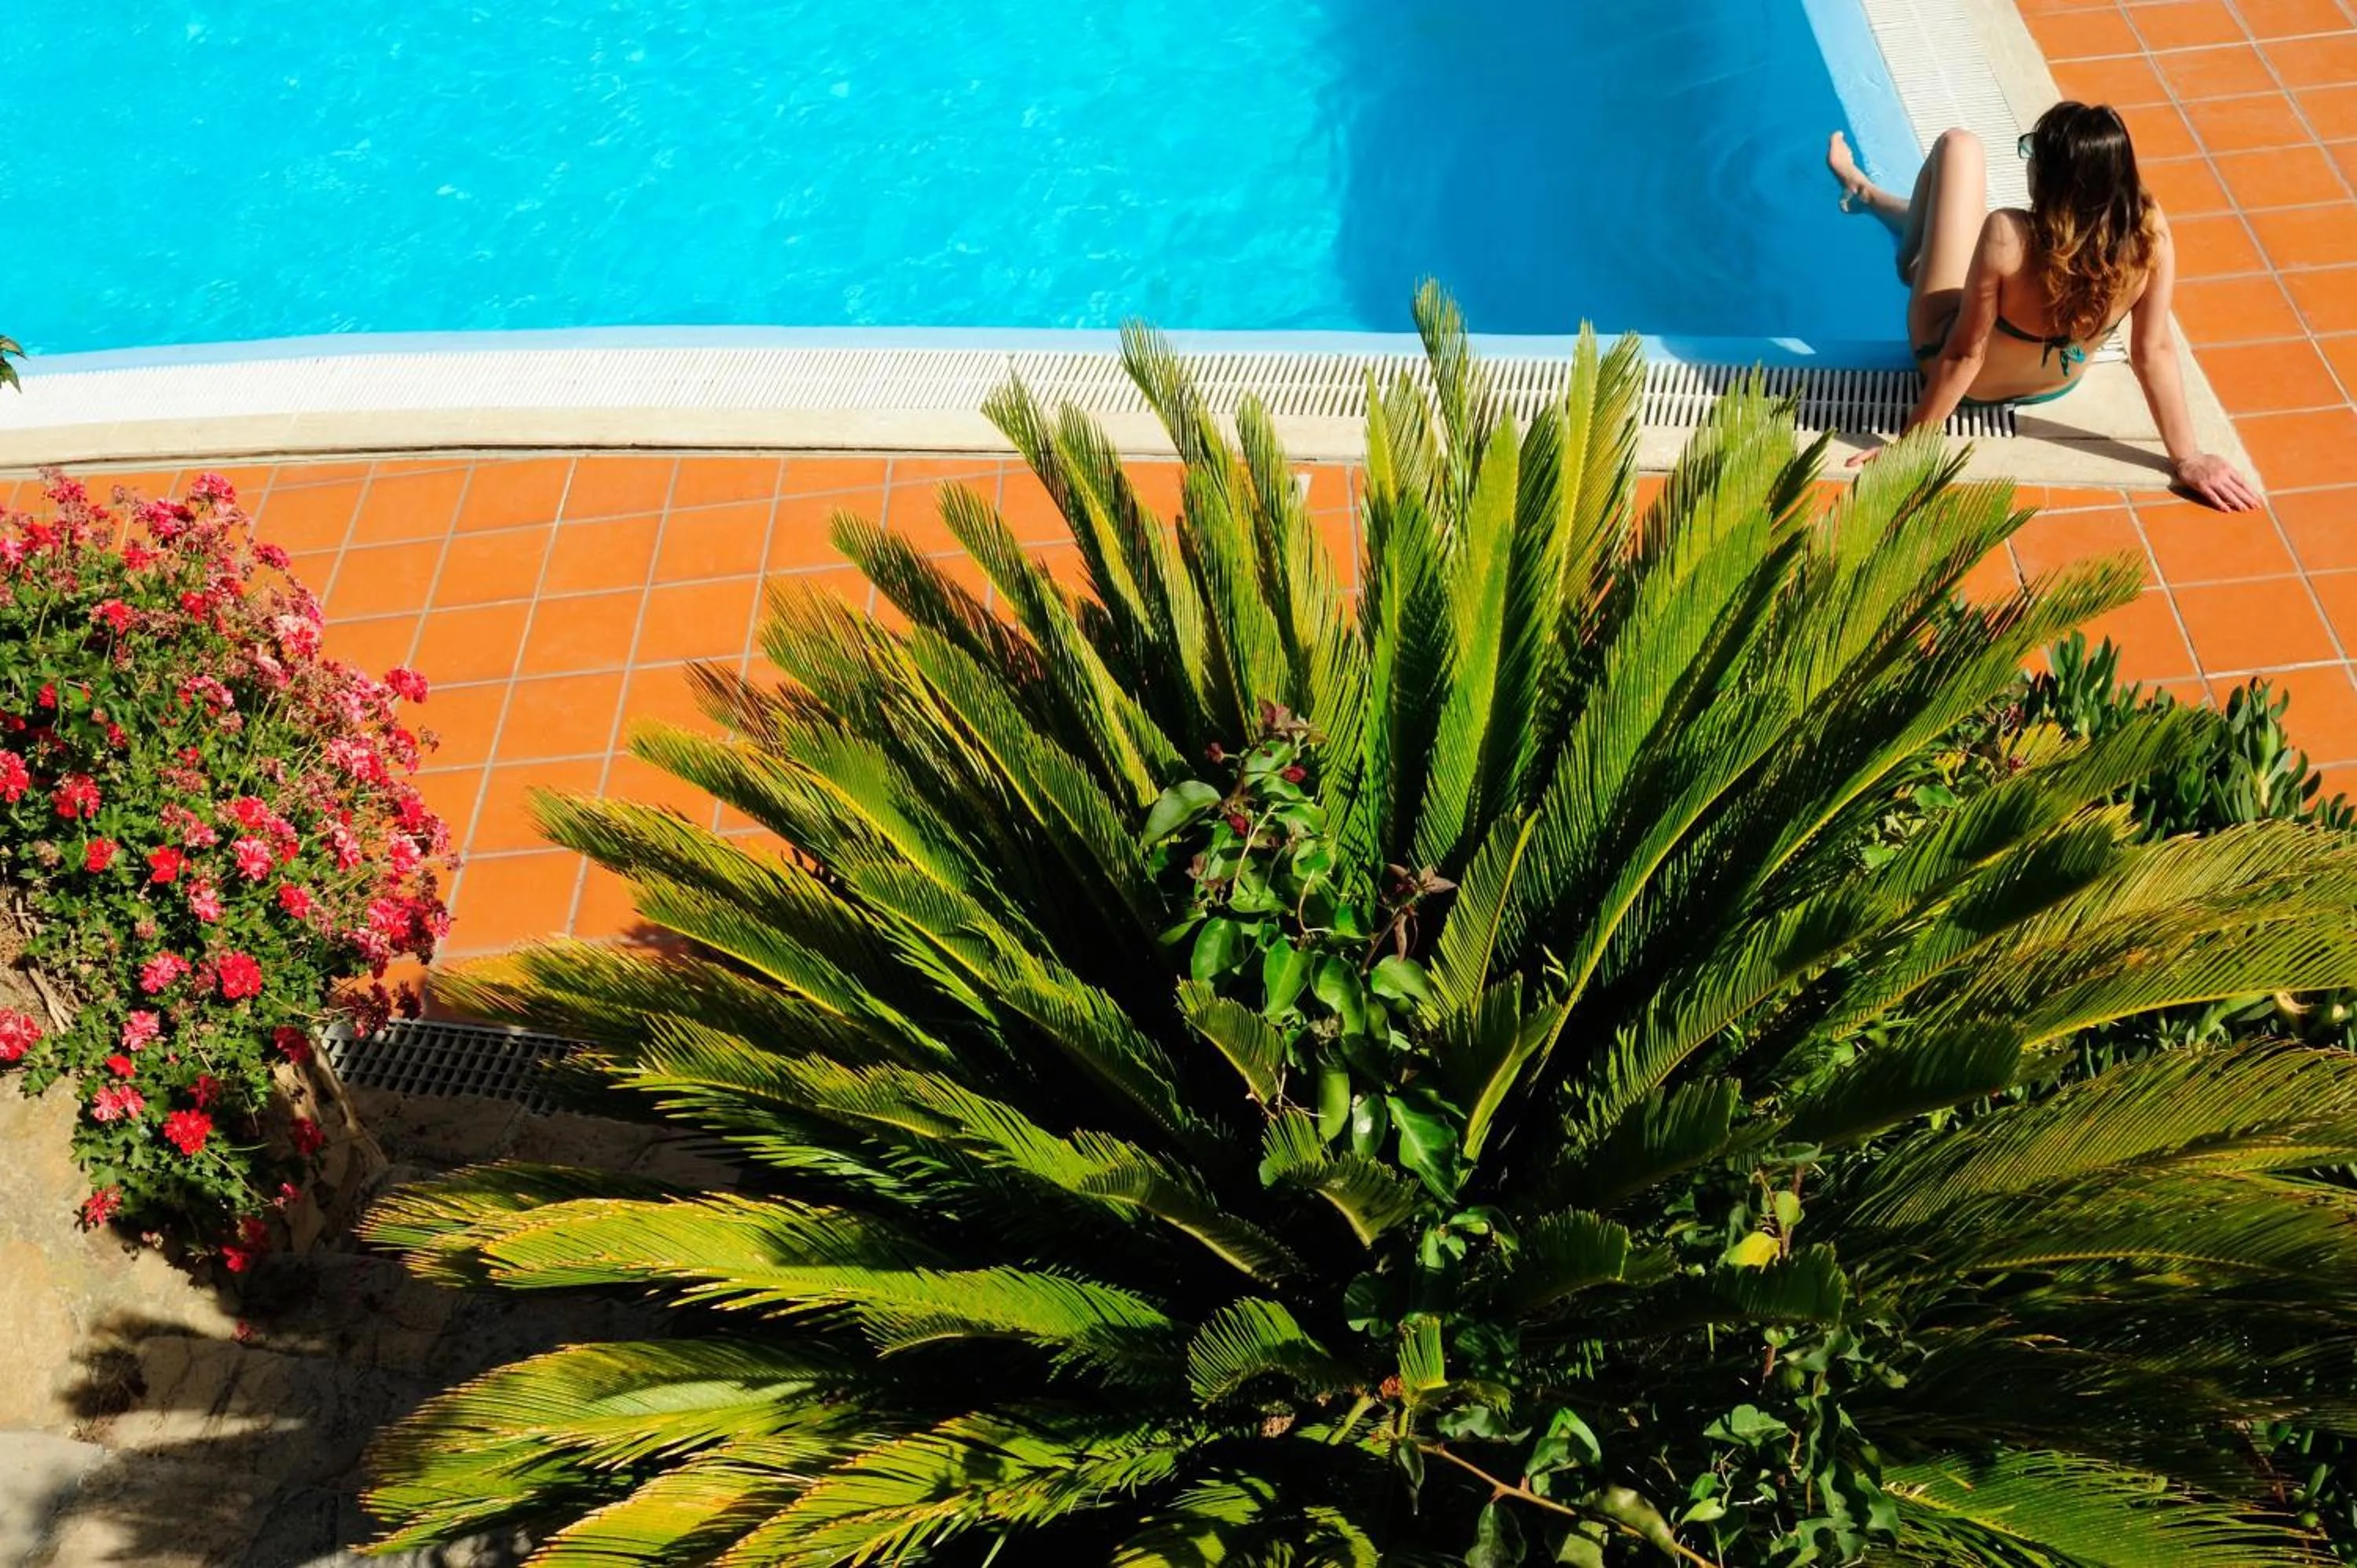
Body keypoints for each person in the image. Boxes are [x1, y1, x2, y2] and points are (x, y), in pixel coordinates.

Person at [1827, 101, 2260, 511]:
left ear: (2051, 178)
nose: (2029, 162)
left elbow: (1963, 354)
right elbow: (2153, 350)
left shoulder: (2008, 233)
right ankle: (1873, 199)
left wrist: (1909, 449)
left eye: (2033, 153)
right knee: (1961, 227)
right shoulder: (2148, 229)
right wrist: (2188, 456)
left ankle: (1900, 243)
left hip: (1971, 384)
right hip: (2058, 380)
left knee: (1960, 146)